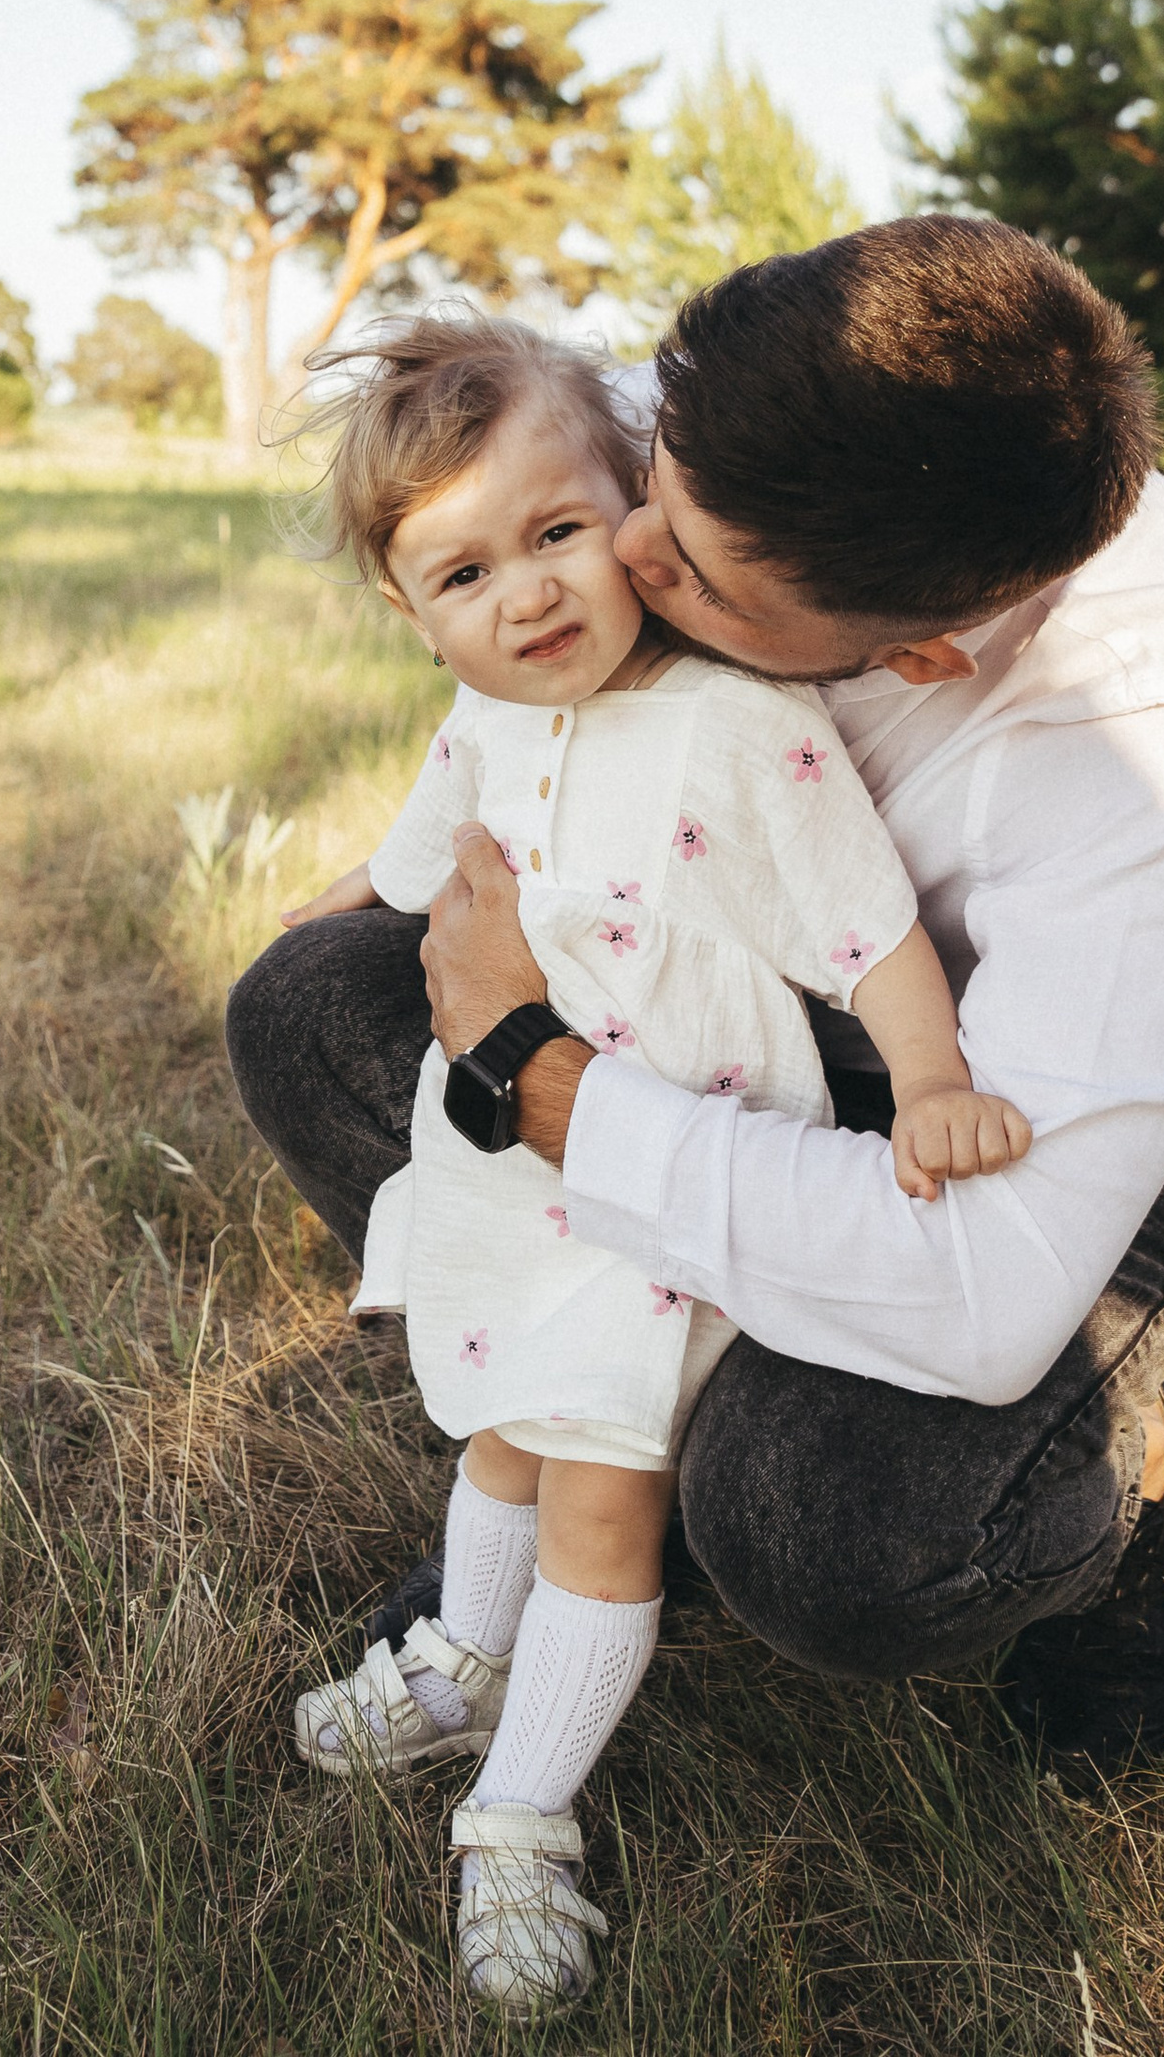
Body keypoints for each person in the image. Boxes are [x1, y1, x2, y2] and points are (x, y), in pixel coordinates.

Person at [230, 216, 1164, 1877]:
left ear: (921, 657)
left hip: (1009, 1110)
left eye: (694, 569)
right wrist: (368, 905)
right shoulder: (786, 406)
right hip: (704, 984)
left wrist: (540, 1082)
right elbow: (514, 657)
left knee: (829, 1530)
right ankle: (591, 1433)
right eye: (648, 478)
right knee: (311, 1011)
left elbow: (981, 1289)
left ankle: (1122, 1483)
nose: (627, 556)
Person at [274, 307, 1031, 2013]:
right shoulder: (482, 724)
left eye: (555, 534)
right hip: (503, 1167)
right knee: (499, 1435)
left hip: (663, 1183)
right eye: (463, 576)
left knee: (601, 1506)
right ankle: (472, 1656)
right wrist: (333, 914)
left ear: (629, 506)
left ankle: (522, 1813)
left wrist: (928, 1078)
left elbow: (867, 932)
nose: (525, 596)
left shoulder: (735, 729)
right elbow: (410, 863)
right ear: (412, 619)